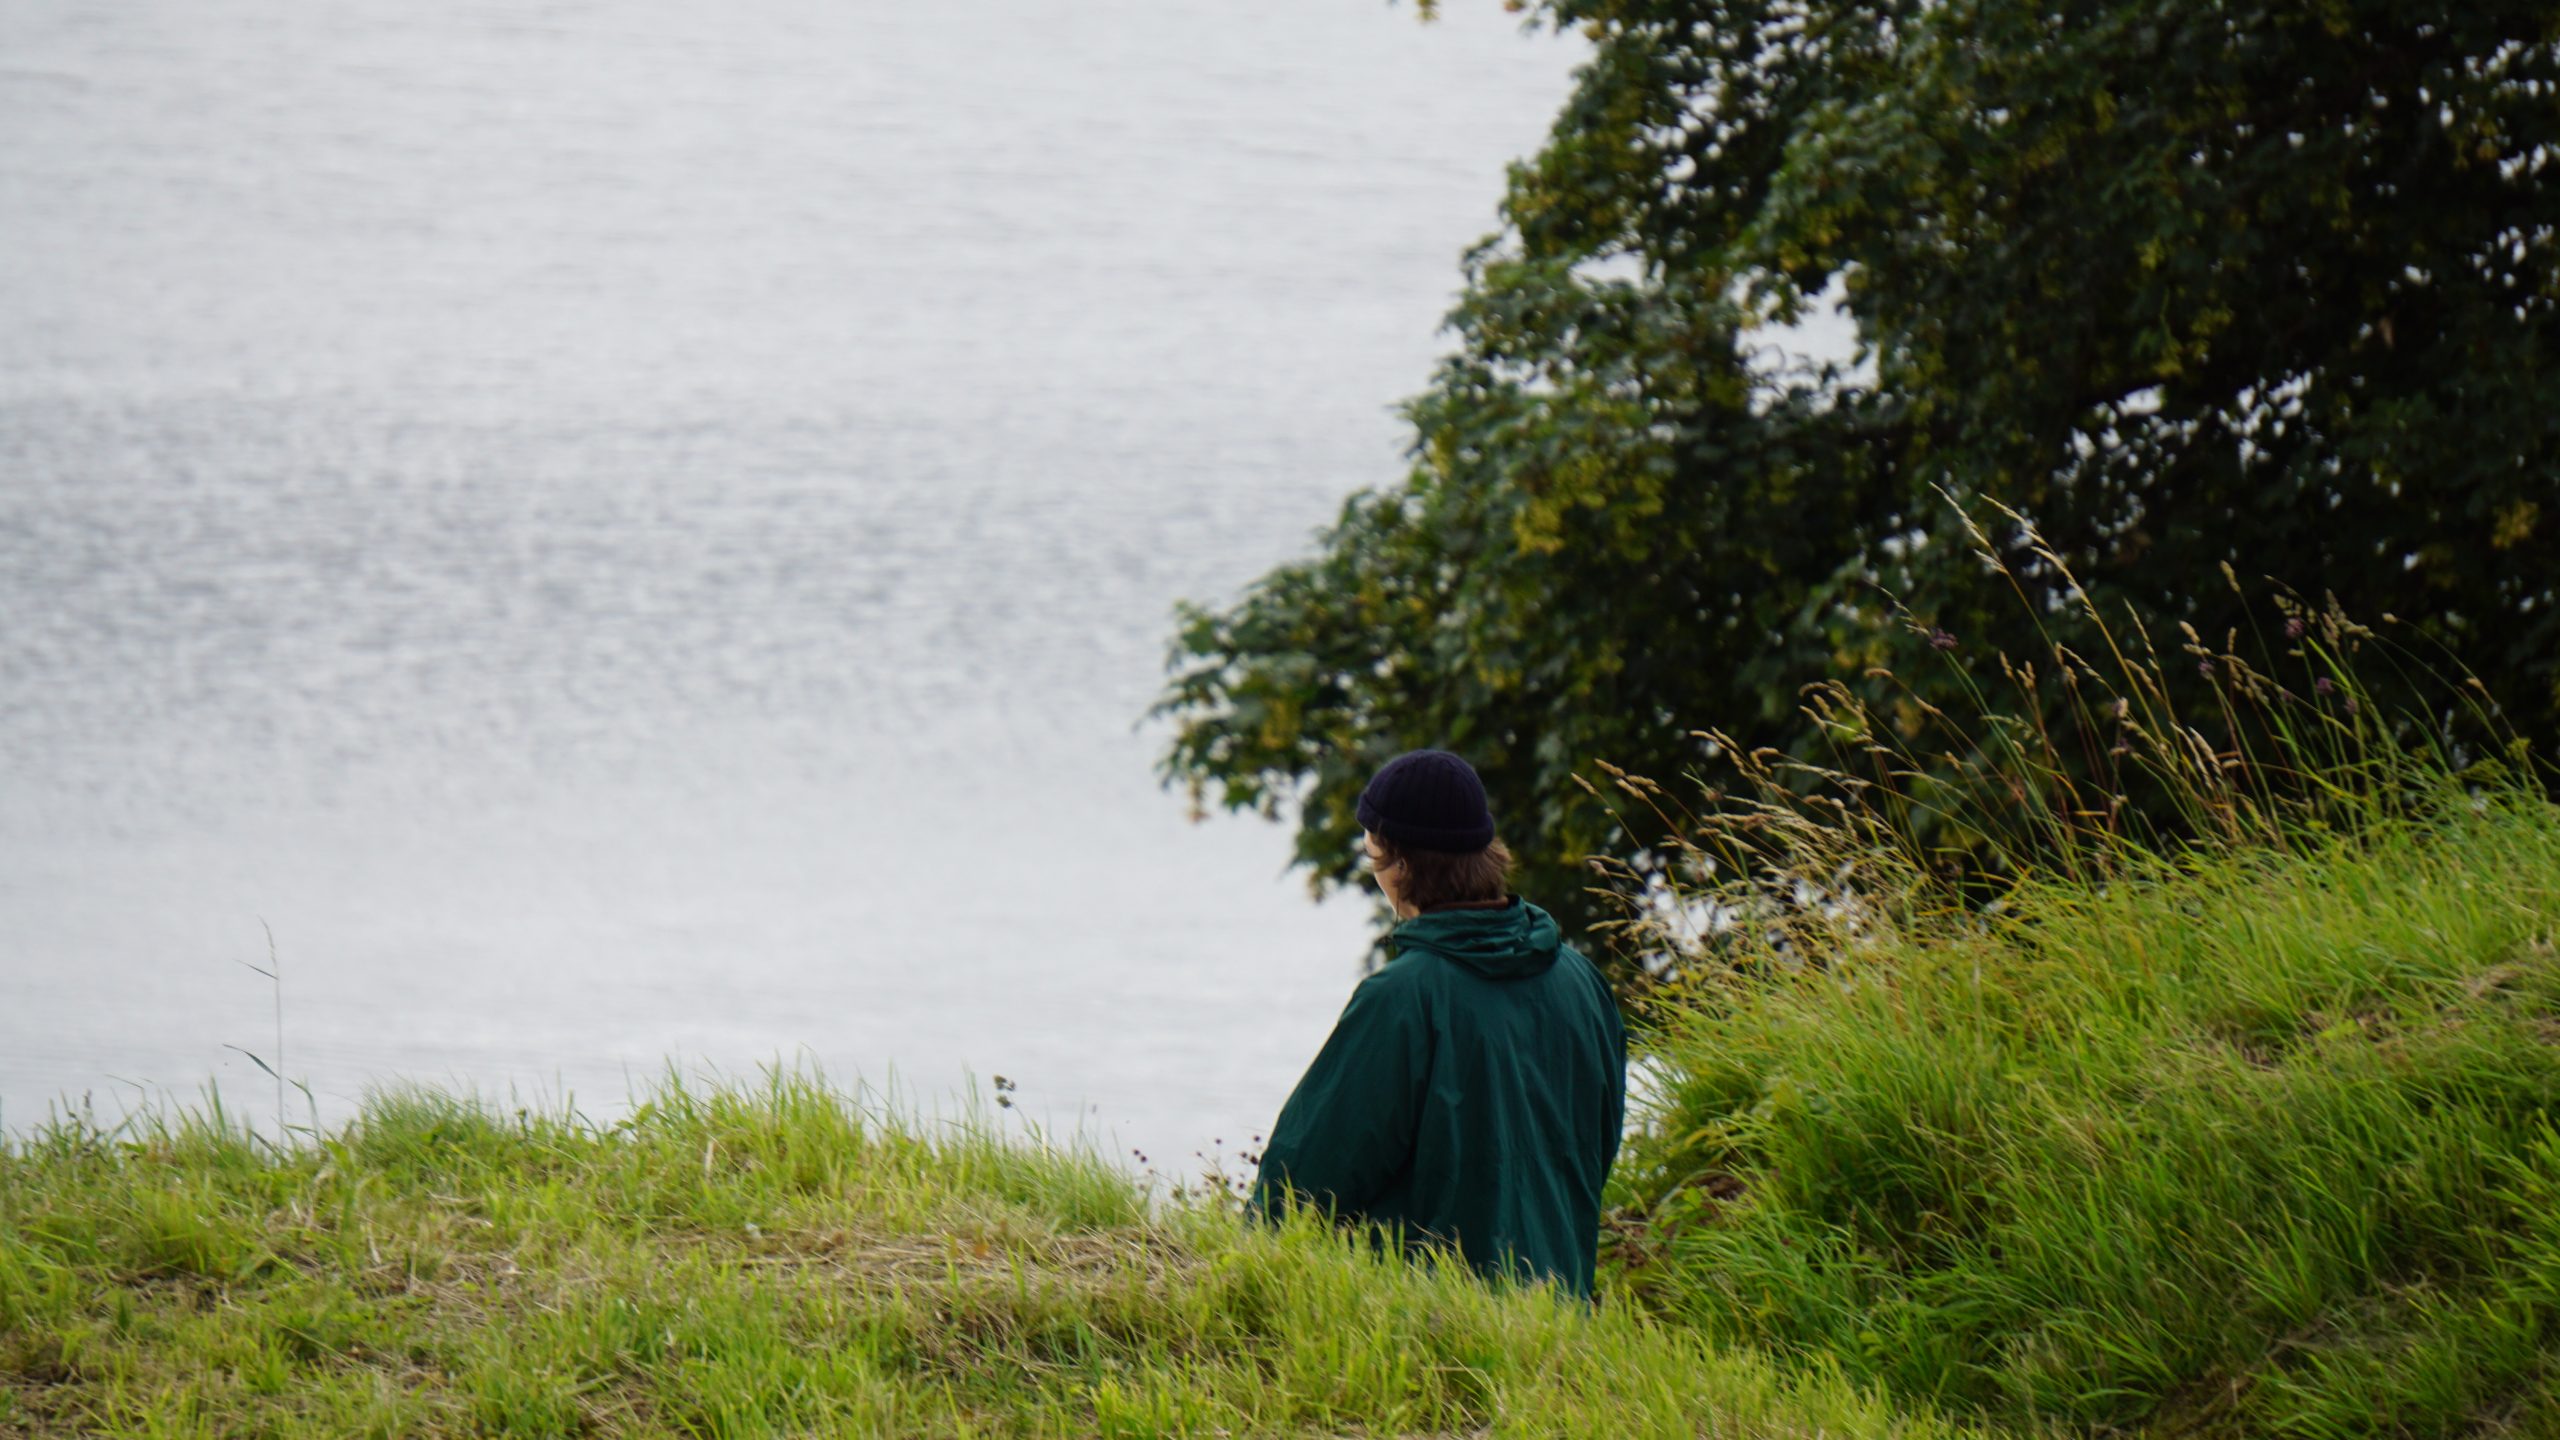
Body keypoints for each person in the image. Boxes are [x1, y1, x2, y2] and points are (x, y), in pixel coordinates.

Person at [1249, 748, 1627, 1299]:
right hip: (1560, 1324)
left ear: (1399, 866)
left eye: (1372, 850)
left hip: (1435, 1338)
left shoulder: (1404, 998)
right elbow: (1598, 1144)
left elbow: (1305, 1177)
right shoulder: (1582, 981)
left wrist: (1242, 1278)